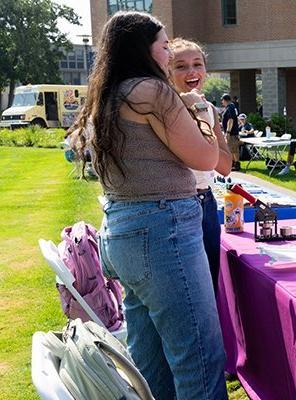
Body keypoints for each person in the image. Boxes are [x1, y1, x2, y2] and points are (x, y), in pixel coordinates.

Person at [72, 12, 227, 398]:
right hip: (163, 229)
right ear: (145, 49)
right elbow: (208, 159)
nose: (168, 51)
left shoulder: (108, 94)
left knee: (150, 355)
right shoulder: (152, 92)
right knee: (200, 357)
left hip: (123, 229)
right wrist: (201, 117)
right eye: (164, 45)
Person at [169, 37, 234, 296]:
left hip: (206, 203)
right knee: (186, 292)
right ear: (167, 71)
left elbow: (225, 166)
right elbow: (199, 158)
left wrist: (201, 113)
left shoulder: (209, 109)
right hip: (177, 204)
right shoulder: (165, 108)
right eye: (181, 66)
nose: (192, 71)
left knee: (210, 286)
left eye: (197, 64)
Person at [221, 93, 241, 171]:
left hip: (232, 133)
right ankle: (233, 163)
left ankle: (237, 164)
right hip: (231, 132)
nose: (222, 102)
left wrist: (228, 132)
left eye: (222, 100)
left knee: (234, 149)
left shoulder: (230, 107)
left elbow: (230, 120)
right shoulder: (230, 107)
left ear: (226, 100)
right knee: (231, 149)